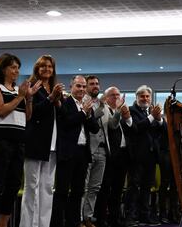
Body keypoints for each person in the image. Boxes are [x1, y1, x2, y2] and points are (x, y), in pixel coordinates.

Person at [0, 53, 41, 227]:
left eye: (18, 68)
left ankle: (3, 222)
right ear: (3, 68)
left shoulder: (19, 90)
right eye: (13, 67)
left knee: (14, 183)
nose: (16, 71)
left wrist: (28, 98)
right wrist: (20, 97)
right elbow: (0, 110)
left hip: (18, 141)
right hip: (0, 141)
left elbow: (28, 117)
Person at [20, 55, 64, 227]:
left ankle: (43, 224)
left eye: (50, 67)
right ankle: (29, 224)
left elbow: (60, 117)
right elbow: (32, 114)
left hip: (52, 144)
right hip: (35, 142)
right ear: (37, 69)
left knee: (47, 188)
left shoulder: (53, 88)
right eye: (43, 66)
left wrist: (58, 102)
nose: (47, 69)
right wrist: (50, 98)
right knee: (32, 187)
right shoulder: (32, 87)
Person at [50, 75, 99, 227]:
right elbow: (66, 122)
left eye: (84, 87)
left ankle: (74, 222)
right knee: (62, 191)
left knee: (78, 191)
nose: (82, 89)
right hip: (67, 152)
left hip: (83, 152)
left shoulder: (85, 104)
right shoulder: (65, 102)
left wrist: (88, 114)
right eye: (79, 86)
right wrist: (83, 113)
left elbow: (95, 128)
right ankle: (58, 223)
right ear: (71, 87)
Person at [94, 86, 133, 227]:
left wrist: (126, 116)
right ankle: (101, 218)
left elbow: (131, 128)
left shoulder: (123, 110)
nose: (116, 97)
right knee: (105, 189)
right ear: (106, 97)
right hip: (109, 155)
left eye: (118, 94)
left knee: (118, 189)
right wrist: (118, 112)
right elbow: (112, 127)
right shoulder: (104, 111)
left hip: (123, 155)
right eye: (112, 95)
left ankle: (114, 219)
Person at [125, 85, 163, 227]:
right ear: (137, 97)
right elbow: (137, 128)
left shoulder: (151, 111)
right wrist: (152, 116)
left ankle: (144, 215)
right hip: (137, 156)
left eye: (147, 96)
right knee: (134, 187)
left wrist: (159, 119)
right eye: (142, 96)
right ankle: (130, 216)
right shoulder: (131, 110)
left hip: (151, 156)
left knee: (147, 187)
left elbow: (162, 130)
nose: (145, 98)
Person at [81, 75, 109, 227]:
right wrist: (102, 106)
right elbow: (90, 119)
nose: (95, 86)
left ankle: (88, 217)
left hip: (102, 150)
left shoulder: (101, 103)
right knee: (84, 187)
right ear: (85, 86)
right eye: (91, 84)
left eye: (97, 83)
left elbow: (108, 126)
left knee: (95, 188)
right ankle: (80, 219)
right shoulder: (83, 101)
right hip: (88, 148)